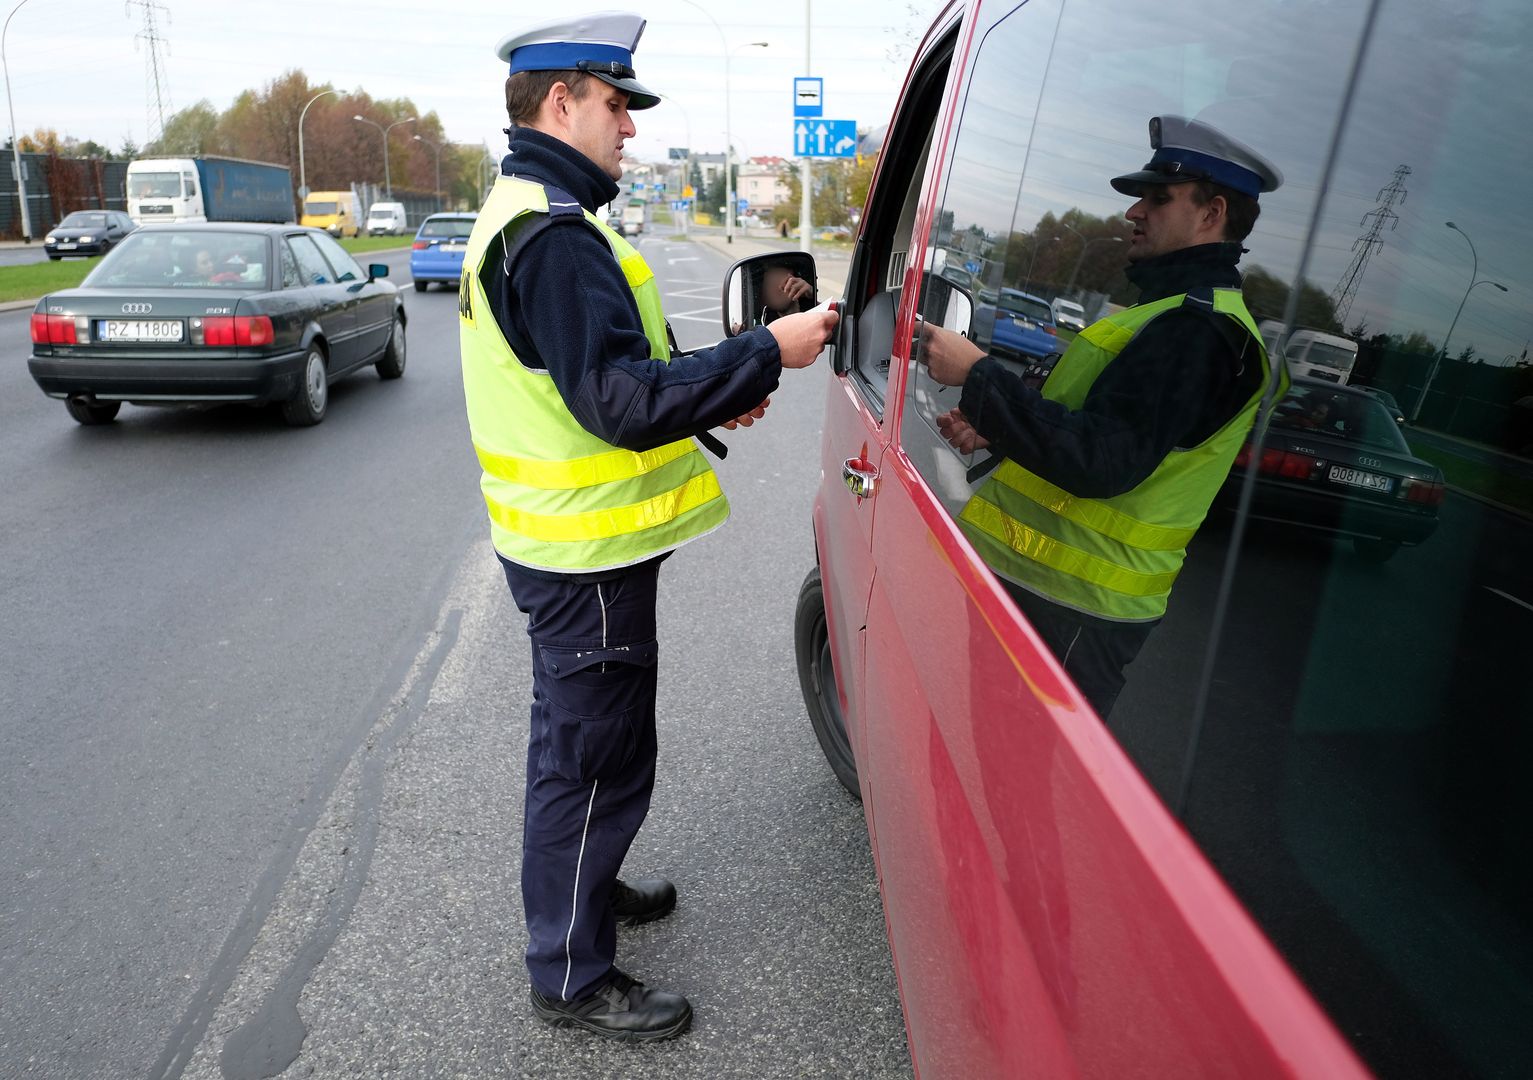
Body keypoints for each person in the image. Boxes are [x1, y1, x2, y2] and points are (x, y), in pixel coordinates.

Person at [458, 12, 838, 1043]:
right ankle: (573, 976)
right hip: (584, 556)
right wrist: (766, 348)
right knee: (593, 761)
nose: (629, 125)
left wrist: (720, 386)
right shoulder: (553, 235)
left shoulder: (535, 211)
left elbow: (622, 375)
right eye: (616, 102)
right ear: (559, 102)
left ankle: (585, 888)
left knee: (578, 747)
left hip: (569, 549)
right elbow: (617, 401)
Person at [917, 115, 1285, 717]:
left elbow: (1105, 461)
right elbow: (1106, 431)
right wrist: (1002, 426)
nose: (1134, 212)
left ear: (1212, 214)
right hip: (1041, 595)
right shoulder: (1168, 313)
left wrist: (981, 376)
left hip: (1072, 609)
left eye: (1157, 199)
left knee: (1013, 785)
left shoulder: (1199, 330)